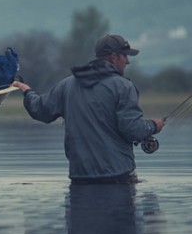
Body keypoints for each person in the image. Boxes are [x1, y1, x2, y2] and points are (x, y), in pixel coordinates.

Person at [13, 33, 165, 183]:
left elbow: (40, 110)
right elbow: (132, 129)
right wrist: (153, 126)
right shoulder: (124, 86)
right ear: (113, 57)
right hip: (118, 177)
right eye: (125, 56)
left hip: (80, 177)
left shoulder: (67, 85)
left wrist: (28, 92)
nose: (127, 62)